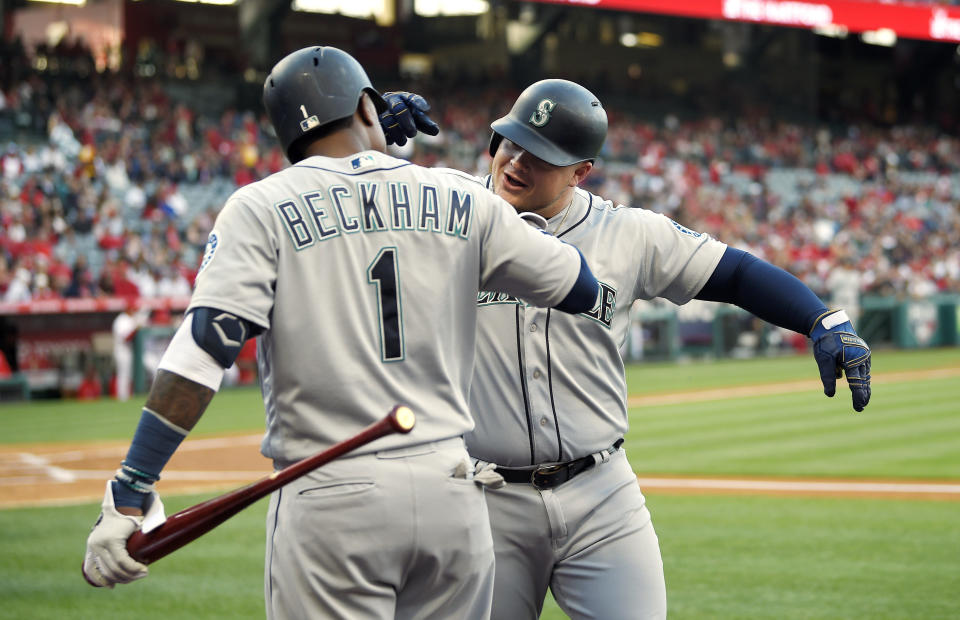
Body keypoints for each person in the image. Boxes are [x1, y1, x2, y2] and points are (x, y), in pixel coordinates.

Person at [81, 47, 600, 620]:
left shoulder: (259, 205)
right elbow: (578, 285)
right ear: (365, 106)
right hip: (451, 489)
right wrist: (445, 202)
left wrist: (132, 489)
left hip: (329, 491)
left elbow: (205, 350)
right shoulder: (462, 196)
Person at [390, 79, 872, 619]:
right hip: (484, 498)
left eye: (540, 156)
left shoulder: (628, 234)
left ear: (580, 171)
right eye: (510, 143)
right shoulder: (441, 210)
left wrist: (822, 318)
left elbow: (734, 273)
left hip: (601, 497)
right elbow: (333, 198)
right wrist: (360, 133)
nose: (516, 162)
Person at [111, 299, 148, 401]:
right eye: (132, 309)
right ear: (127, 309)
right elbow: (126, 337)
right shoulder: (121, 320)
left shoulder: (130, 319)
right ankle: (122, 397)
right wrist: (136, 328)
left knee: (128, 375)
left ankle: (126, 396)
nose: (134, 311)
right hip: (121, 349)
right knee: (123, 374)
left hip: (128, 349)